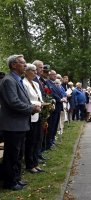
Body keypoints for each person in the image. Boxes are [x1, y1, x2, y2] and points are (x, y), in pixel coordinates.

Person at [0, 55, 41, 190]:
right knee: (12, 154)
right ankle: (10, 182)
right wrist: (31, 108)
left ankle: (16, 178)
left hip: (19, 123)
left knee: (18, 153)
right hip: (12, 125)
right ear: (13, 65)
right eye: (22, 63)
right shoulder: (8, 80)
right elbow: (13, 102)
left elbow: (22, 100)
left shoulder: (16, 80)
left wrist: (31, 107)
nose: (25, 65)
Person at [23, 64, 45, 173]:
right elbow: (25, 100)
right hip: (30, 114)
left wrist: (43, 104)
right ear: (26, 71)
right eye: (33, 70)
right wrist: (36, 105)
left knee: (37, 139)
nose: (35, 72)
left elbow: (39, 98)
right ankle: (30, 164)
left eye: (36, 70)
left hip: (38, 113)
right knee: (30, 141)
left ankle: (35, 163)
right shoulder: (24, 83)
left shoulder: (35, 83)